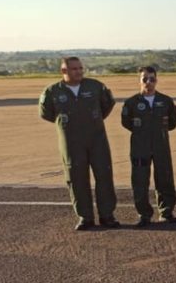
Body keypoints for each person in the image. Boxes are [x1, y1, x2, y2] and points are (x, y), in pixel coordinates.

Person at [38, 56, 119, 230]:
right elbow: (47, 113)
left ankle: (107, 215)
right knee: (76, 179)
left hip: (97, 139)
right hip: (71, 142)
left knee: (104, 176)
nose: (79, 71)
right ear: (64, 71)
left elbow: (107, 105)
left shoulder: (96, 87)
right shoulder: (53, 92)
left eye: (80, 68)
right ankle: (85, 217)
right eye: (74, 69)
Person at [120, 66, 176, 226]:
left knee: (164, 178)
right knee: (140, 181)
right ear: (139, 81)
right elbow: (126, 122)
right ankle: (144, 214)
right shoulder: (132, 102)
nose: (148, 82)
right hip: (140, 146)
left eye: (152, 79)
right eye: (144, 79)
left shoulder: (165, 101)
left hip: (161, 145)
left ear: (156, 80)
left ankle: (166, 212)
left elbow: (173, 123)